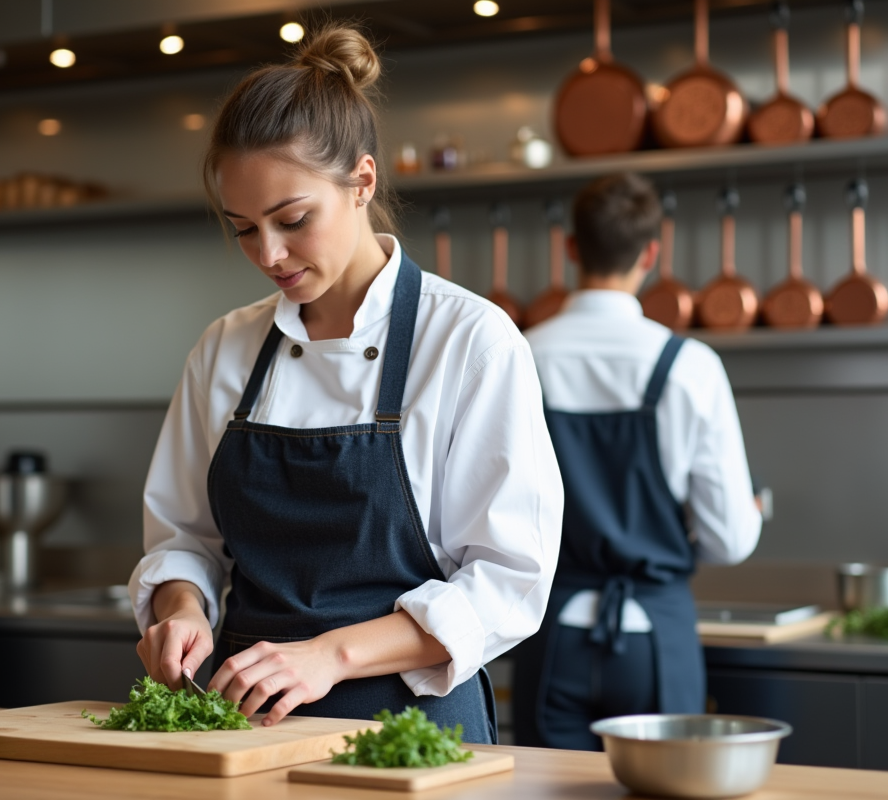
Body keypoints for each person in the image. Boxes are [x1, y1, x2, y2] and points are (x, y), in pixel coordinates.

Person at [128, 26, 563, 742]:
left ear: (362, 182)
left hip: (410, 730)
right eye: (242, 229)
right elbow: (184, 540)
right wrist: (180, 609)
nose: (268, 254)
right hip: (241, 724)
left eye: (292, 220)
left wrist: (329, 655)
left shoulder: (468, 342)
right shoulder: (224, 348)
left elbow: (509, 581)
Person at [514, 173, 762, 750]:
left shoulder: (519, 354)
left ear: (571, 247)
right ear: (652, 253)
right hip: (657, 638)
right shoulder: (689, 365)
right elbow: (731, 541)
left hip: (552, 636)